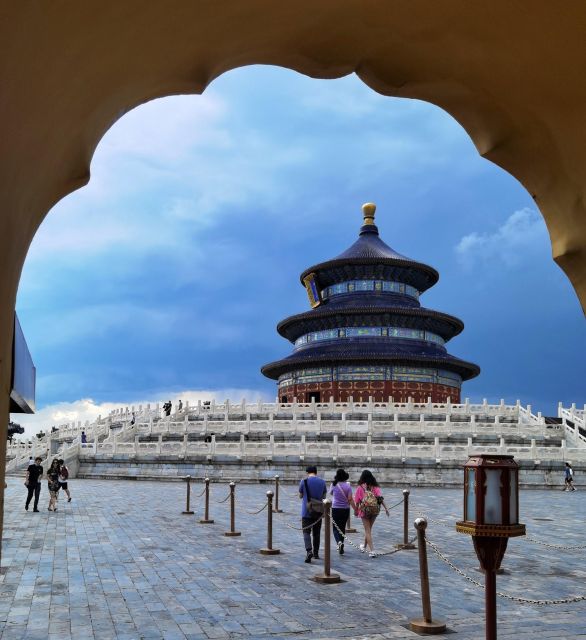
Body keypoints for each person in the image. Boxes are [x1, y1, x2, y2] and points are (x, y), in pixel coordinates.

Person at [354, 469, 389, 557]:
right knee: (369, 530)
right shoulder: (375, 487)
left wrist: (356, 511)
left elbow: (357, 502)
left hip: (364, 511)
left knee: (367, 531)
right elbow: (380, 499)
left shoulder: (360, 488)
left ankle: (372, 551)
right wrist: (386, 509)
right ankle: (364, 546)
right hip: (374, 511)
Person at [298, 465, 327, 563]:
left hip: (306, 511)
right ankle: (316, 553)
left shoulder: (304, 481)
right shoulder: (322, 482)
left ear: (307, 472)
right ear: (316, 472)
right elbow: (324, 496)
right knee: (316, 533)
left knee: (306, 531)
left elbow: (300, 495)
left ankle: (308, 550)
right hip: (318, 511)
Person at [329, 468, 354, 555]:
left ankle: (338, 542)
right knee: (342, 527)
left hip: (335, 508)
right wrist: (355, 509)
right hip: (345, 509)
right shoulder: (348, 486)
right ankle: (341, 542)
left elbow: (331, 493)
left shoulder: (334, 484)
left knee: (335, 527)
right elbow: (350, 499)